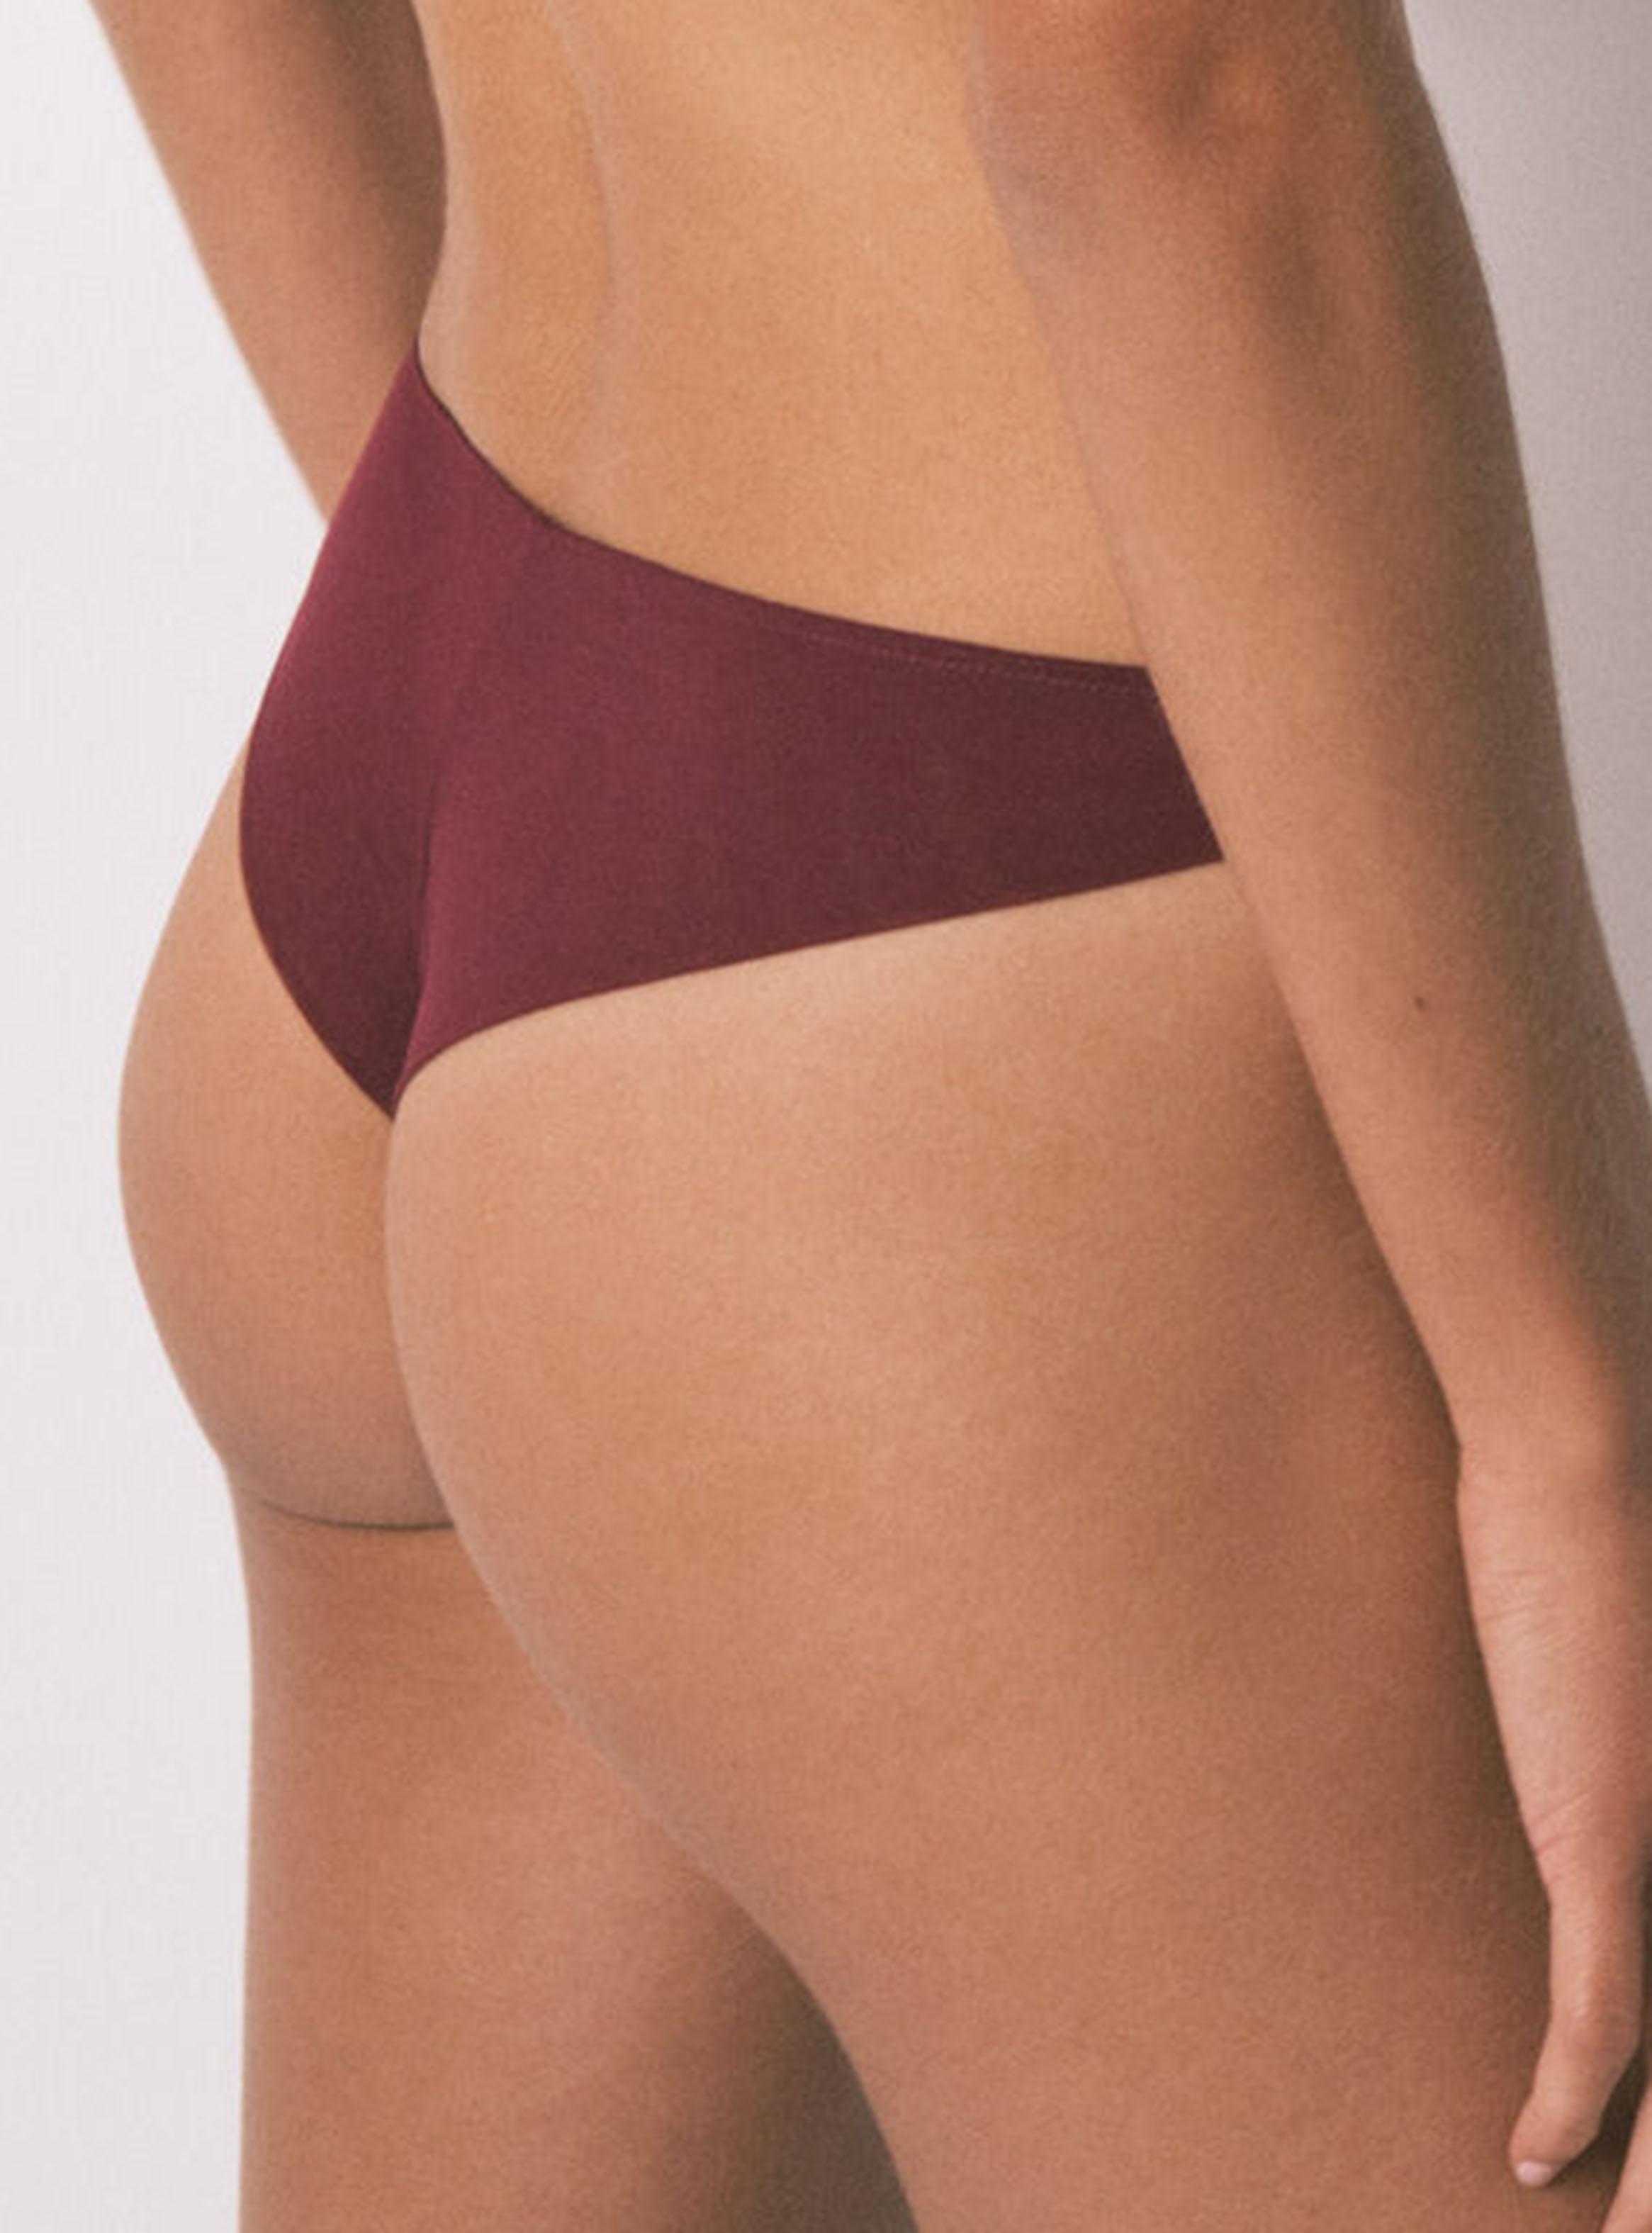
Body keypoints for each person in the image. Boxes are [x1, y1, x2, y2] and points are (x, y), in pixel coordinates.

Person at [104, 0, 1652, 2224]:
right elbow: (1164, 73)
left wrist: (570, 775)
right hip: (952, 979)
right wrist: (1563, 1429)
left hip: (453, 691)